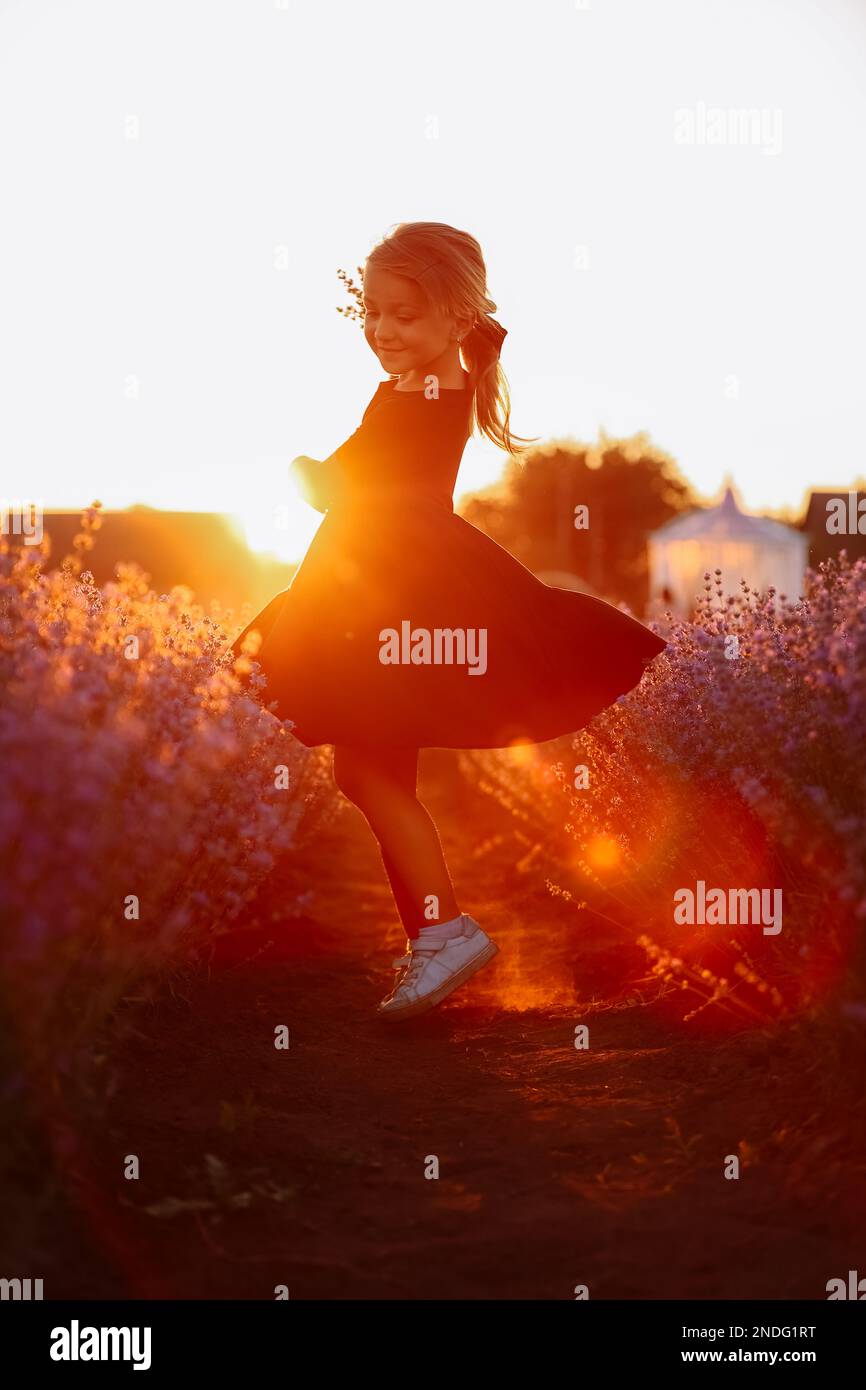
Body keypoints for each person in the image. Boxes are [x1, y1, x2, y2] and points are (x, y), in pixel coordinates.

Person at [230, 220, 667, 1021]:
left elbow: (358, 490)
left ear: (456, 320)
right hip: (379, 585)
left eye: (406, 315)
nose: (384, 331)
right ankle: (436, 936)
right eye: (375, 313)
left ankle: (445, 935)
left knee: (368, 770)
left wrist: (303, 474)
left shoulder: (433, 392)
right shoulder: (415, 387)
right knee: (368, 770)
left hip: (400, 589)